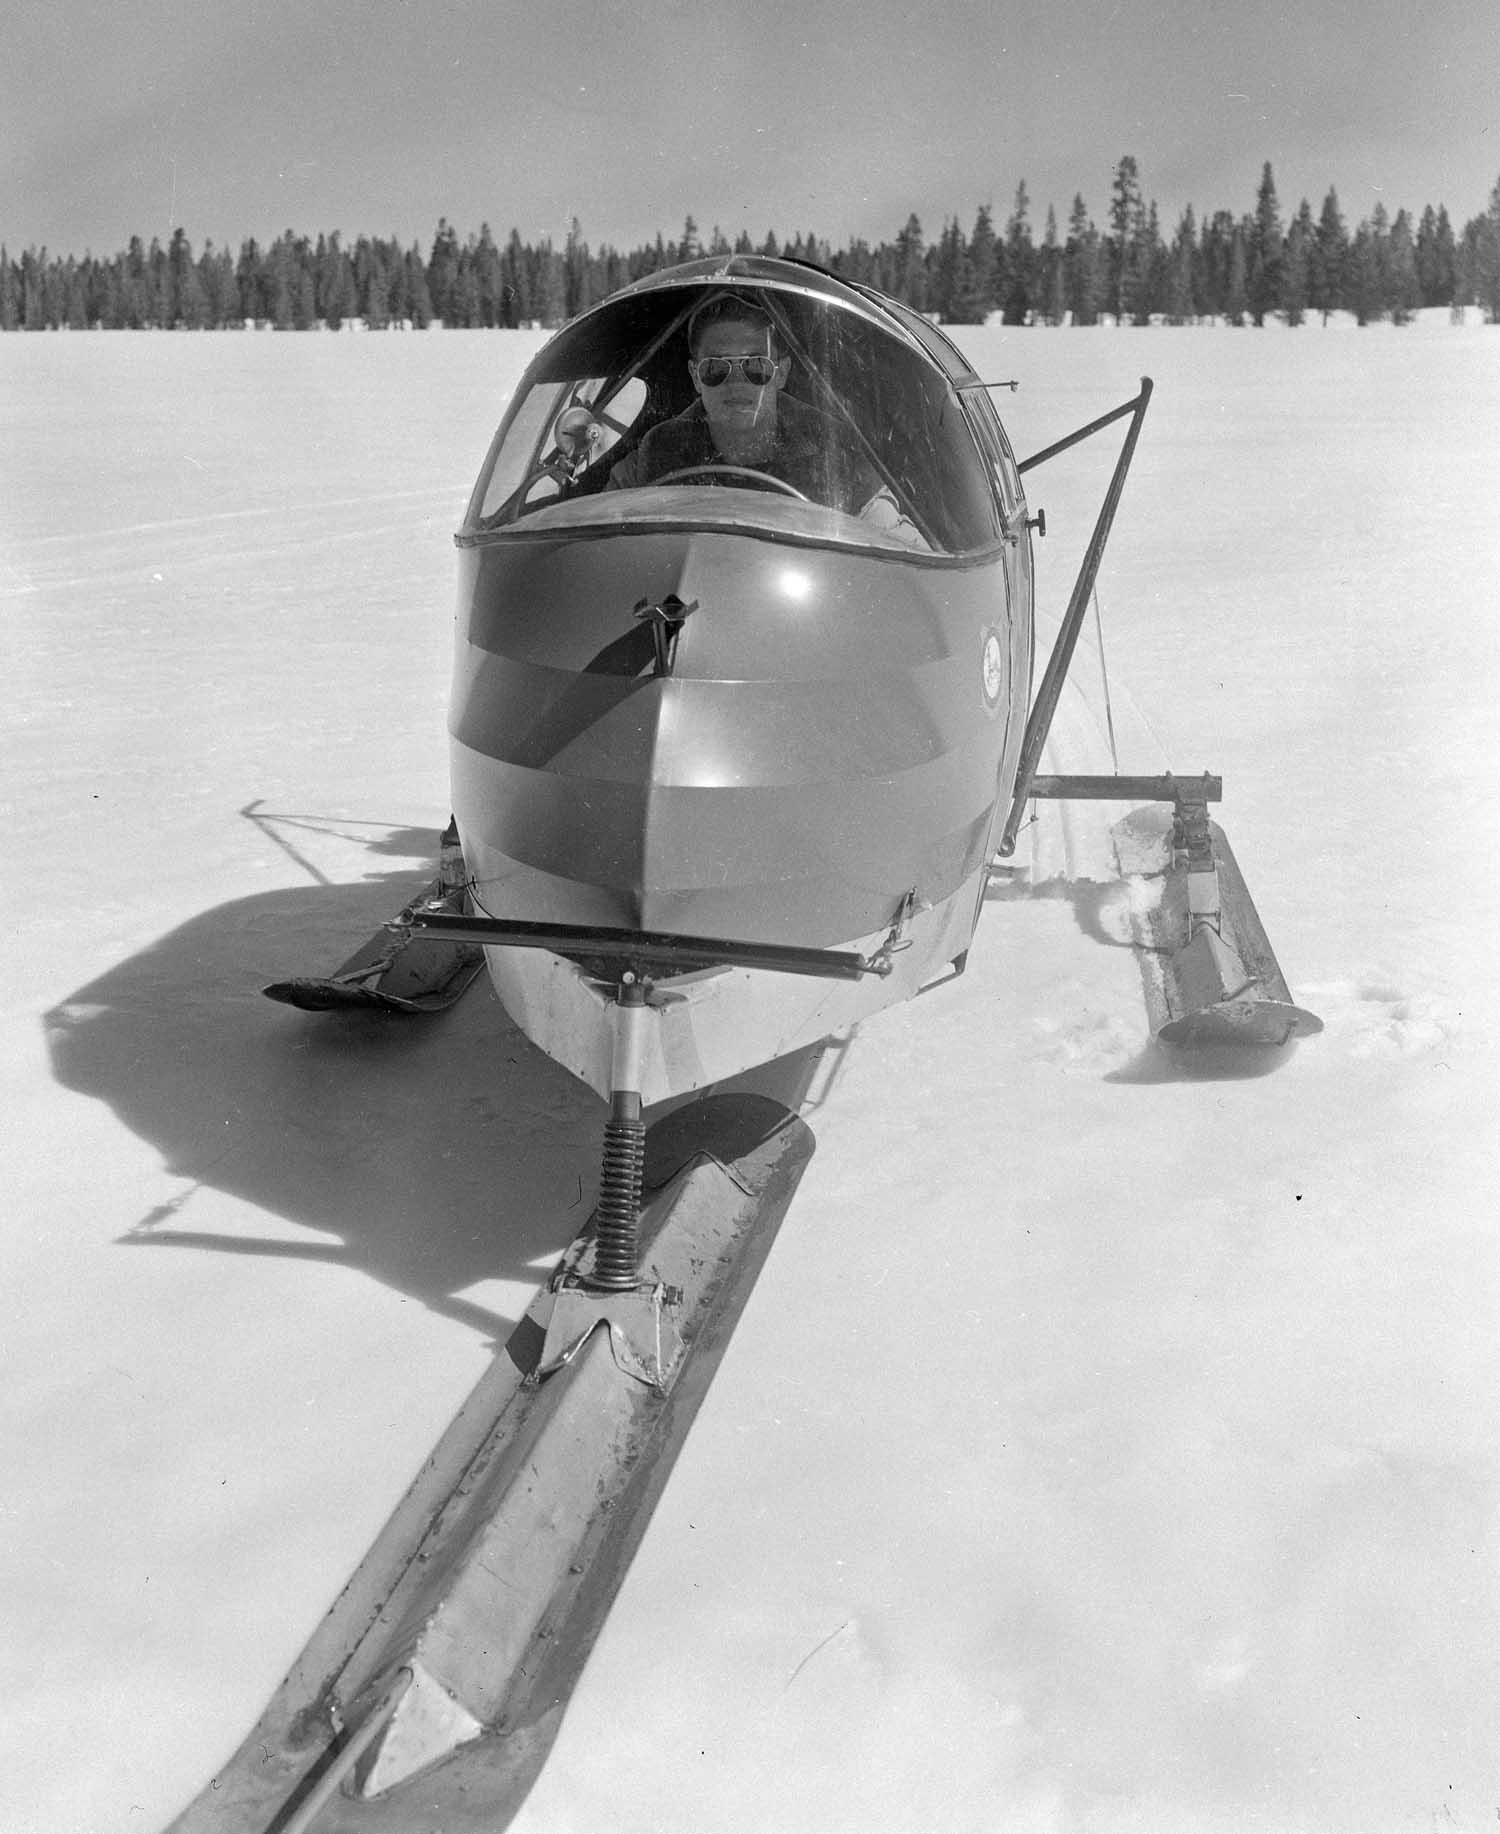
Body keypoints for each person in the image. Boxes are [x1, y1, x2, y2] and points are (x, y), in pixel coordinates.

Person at [607, 294, 921, 540]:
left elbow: (896, 541)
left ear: (781, 373)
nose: (736, 382)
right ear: (695, 377)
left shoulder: (832, 450)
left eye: (756, 366)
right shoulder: (659, 448)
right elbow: (603, 517)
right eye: (716, 369)